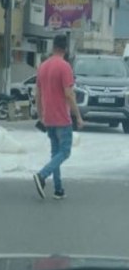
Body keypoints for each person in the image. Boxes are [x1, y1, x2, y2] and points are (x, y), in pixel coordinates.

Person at [33, 34, 84, 200]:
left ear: (53, 46)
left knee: (55, 152)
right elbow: (69, 94)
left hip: (48, 117)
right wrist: (78, 115)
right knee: (65, 152)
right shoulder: (65, 67)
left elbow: (38, 94)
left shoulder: (43, 66)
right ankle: (42, 175)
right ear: (66, 49)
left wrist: (41, 114)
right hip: (62, 117)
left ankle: (58, 189)